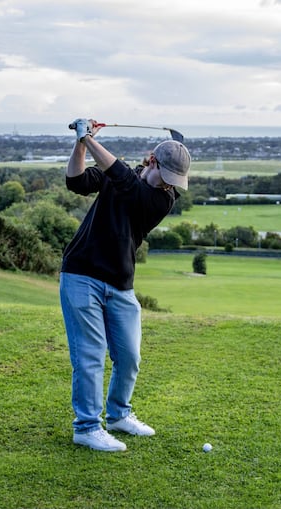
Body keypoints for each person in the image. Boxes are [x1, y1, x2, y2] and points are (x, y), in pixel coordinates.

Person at [60, 118, 190, 452]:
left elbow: (124, 179)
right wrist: (80, 143)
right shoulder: (124, 175)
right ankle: (87, 427)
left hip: (120, 282)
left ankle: (119, 414)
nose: (169, 185)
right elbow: (76, 180)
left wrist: (88, 138)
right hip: (82, 274)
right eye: (167, 176)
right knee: (90, 356)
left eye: (175, 181)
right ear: (153, 160)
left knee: (129, 356)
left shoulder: (163, 200)